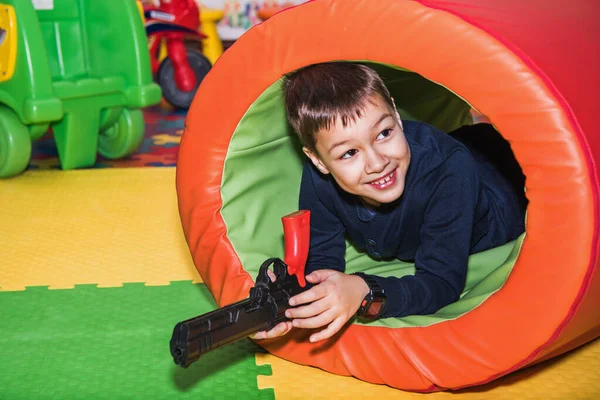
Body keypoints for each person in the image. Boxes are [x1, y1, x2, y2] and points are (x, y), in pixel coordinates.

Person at [252, 62, 527, 343]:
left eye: (384, 133)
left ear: (395, 113)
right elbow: (323, 260)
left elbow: (441, 284)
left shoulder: (447, 171)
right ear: (318, 160)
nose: (377, 162)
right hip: (462, 149)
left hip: (505, 181)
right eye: (349, 153)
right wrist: (294, 304)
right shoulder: (319, 178)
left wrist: (364, 290)